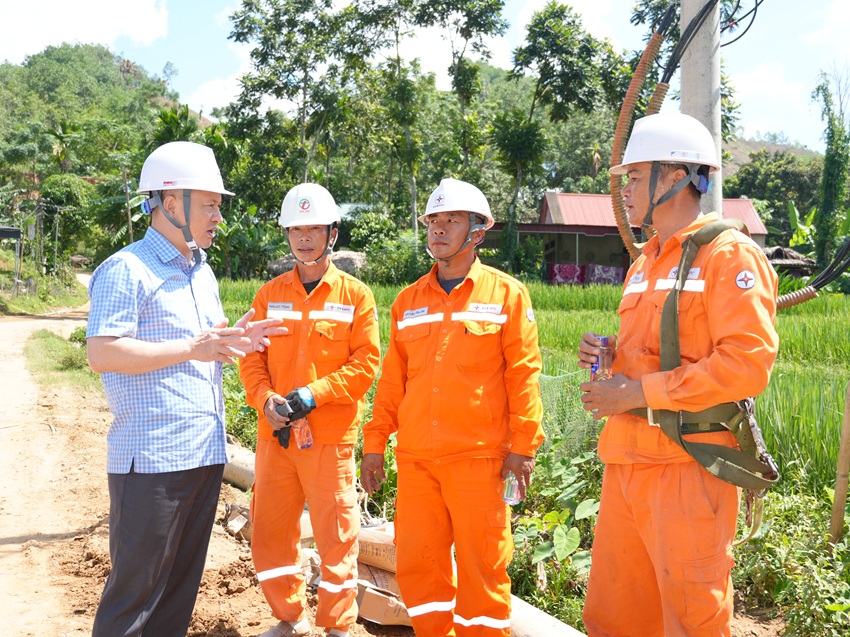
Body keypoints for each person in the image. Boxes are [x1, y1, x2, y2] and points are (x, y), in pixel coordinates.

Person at [577, 112, 779, 636]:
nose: (624, 191)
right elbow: (654, 351)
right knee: (616, 615)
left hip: (687, 468)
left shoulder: (727, 255)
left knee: (689, 620)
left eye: (635, 177)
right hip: (626, 461)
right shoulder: (644, 262)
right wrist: (608, 354)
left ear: (673, 178)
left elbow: (746, 363)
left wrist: (637, 392)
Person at [86, 141, 286, 637]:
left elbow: (204, 344)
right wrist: (191, 347)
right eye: (211, 203)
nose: (219, 214)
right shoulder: (126, 269)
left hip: (203, 453)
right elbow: (102, 352)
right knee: (134, 599)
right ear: (172, 203)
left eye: (220, 204)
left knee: (177, 595)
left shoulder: (202, 271)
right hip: (152, 461)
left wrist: (233, 340)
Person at [361, 178, 544, 637]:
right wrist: (374, 444)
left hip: (479, 462)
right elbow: (392, 383)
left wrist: (523, 447)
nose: (438, 230)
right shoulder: (408, 302)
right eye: (433, 222)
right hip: (418, 461)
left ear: (478, 231)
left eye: (452, 221)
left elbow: (523, 376)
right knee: (420, 571)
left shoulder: (507, 296)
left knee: (483, 575)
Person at [240, 183, 381, 637]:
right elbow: (251, 358)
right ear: (286, 234)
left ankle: (337, 627)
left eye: (313, 229)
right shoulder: (268, 295)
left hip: (328, 439)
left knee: (336, 537)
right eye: (295, 229)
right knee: (270, 533)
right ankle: (289, 618)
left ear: (332, 234)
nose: (304, 237)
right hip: (276, 438)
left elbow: (366, 364)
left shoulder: (355, 296)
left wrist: (313, 394)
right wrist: (266, 401)